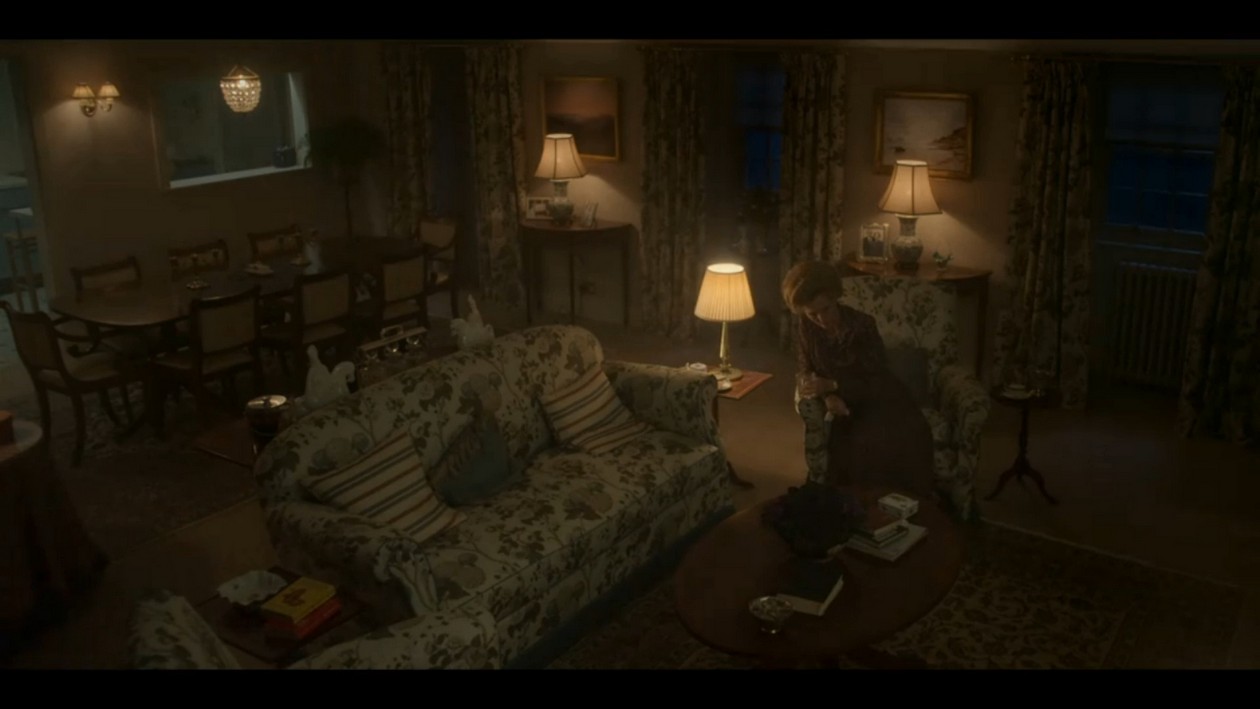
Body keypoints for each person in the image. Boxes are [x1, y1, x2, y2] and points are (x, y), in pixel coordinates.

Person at [782, 260, 934, 498]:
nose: (821, 319)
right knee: (847, 457)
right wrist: (827, 395)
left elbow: (876, 377)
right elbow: (806, 367)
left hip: (879, 397)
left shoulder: (863, 325)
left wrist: (833, 385)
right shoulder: (806, 326)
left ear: (835, 297)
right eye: (813, 314)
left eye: (826, 309)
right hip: (845, 404)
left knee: (889, 443)